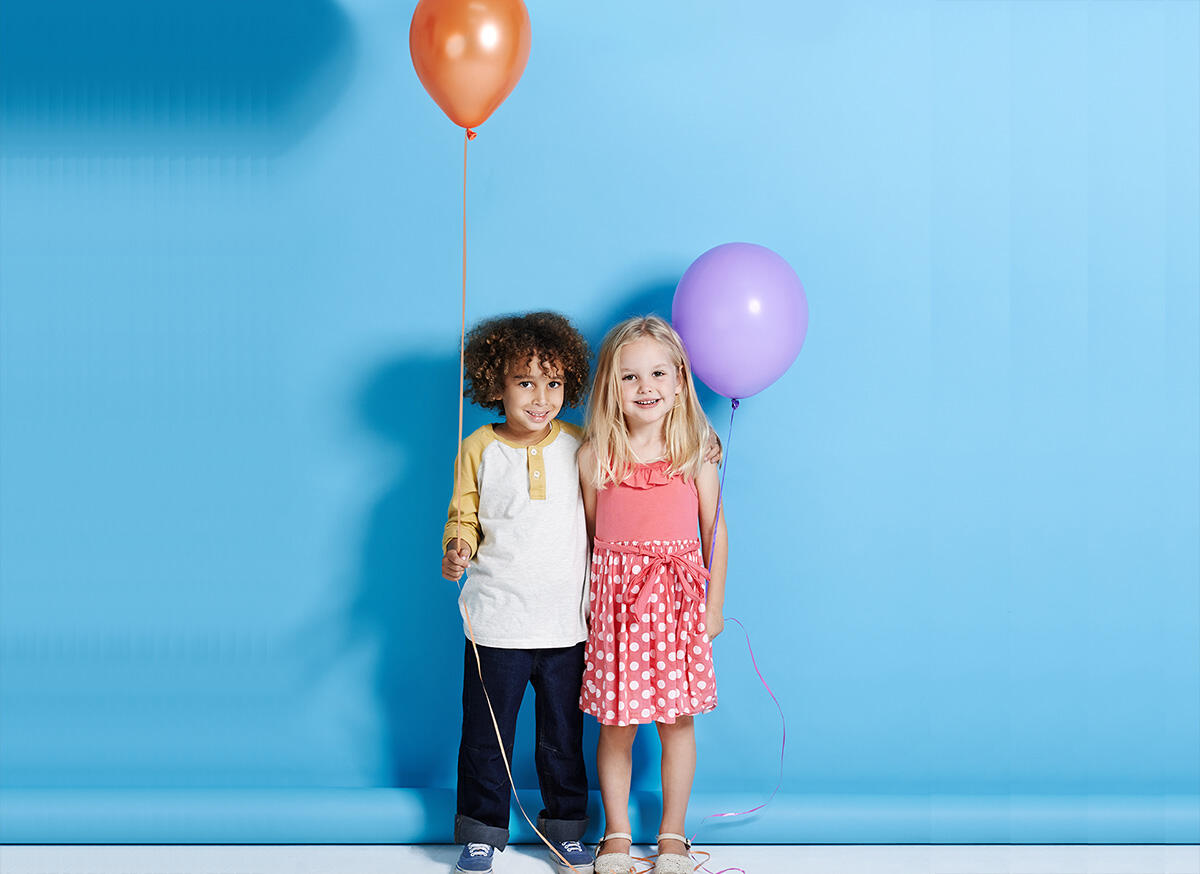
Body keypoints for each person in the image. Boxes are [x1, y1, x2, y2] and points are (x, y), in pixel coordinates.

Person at [442, 311, 595, 874]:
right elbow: (463, 516)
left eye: (553, 383)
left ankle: (566, 829)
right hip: (497, 622)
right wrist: (456, 548)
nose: (541, 397)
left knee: (562, 738)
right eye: (525, 382)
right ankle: (482, 831)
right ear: (495, 384)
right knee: (486, 738)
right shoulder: (479, 446)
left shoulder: (581, 443)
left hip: (565, 625)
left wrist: (704, 450)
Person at [577, 316, 728, 874]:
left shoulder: (695, 450)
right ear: (610, 388)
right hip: (619, 607)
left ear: (680, 377)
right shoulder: (597, 455)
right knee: (616, 727)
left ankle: (672, 835)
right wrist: (594, 603)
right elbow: (593, 537)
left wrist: (712, 606)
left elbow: (716, 531)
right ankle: (616, 833)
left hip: (677, 603)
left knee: (677, 724)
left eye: (658, 373)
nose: (646, 388)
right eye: (630, 377)